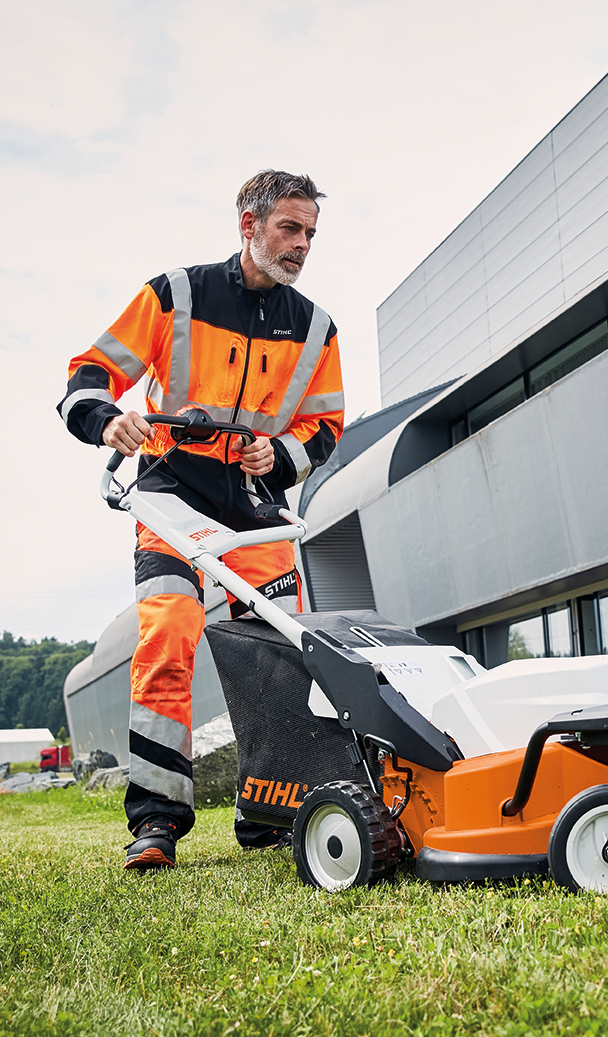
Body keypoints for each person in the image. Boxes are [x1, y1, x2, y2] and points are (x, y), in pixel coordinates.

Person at [57, 170, 345, 870]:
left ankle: (269, 810)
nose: (302, 244)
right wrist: (109, 422)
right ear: (248, 225)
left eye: (309, 232)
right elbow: (86, 376)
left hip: (253, 511)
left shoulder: (316, 328)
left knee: (278, 655)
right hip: (171, 498)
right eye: (289, 227)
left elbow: (326, 426)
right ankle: (156, 821)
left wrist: (275, 453)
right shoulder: (175, 296)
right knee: (168, 633)